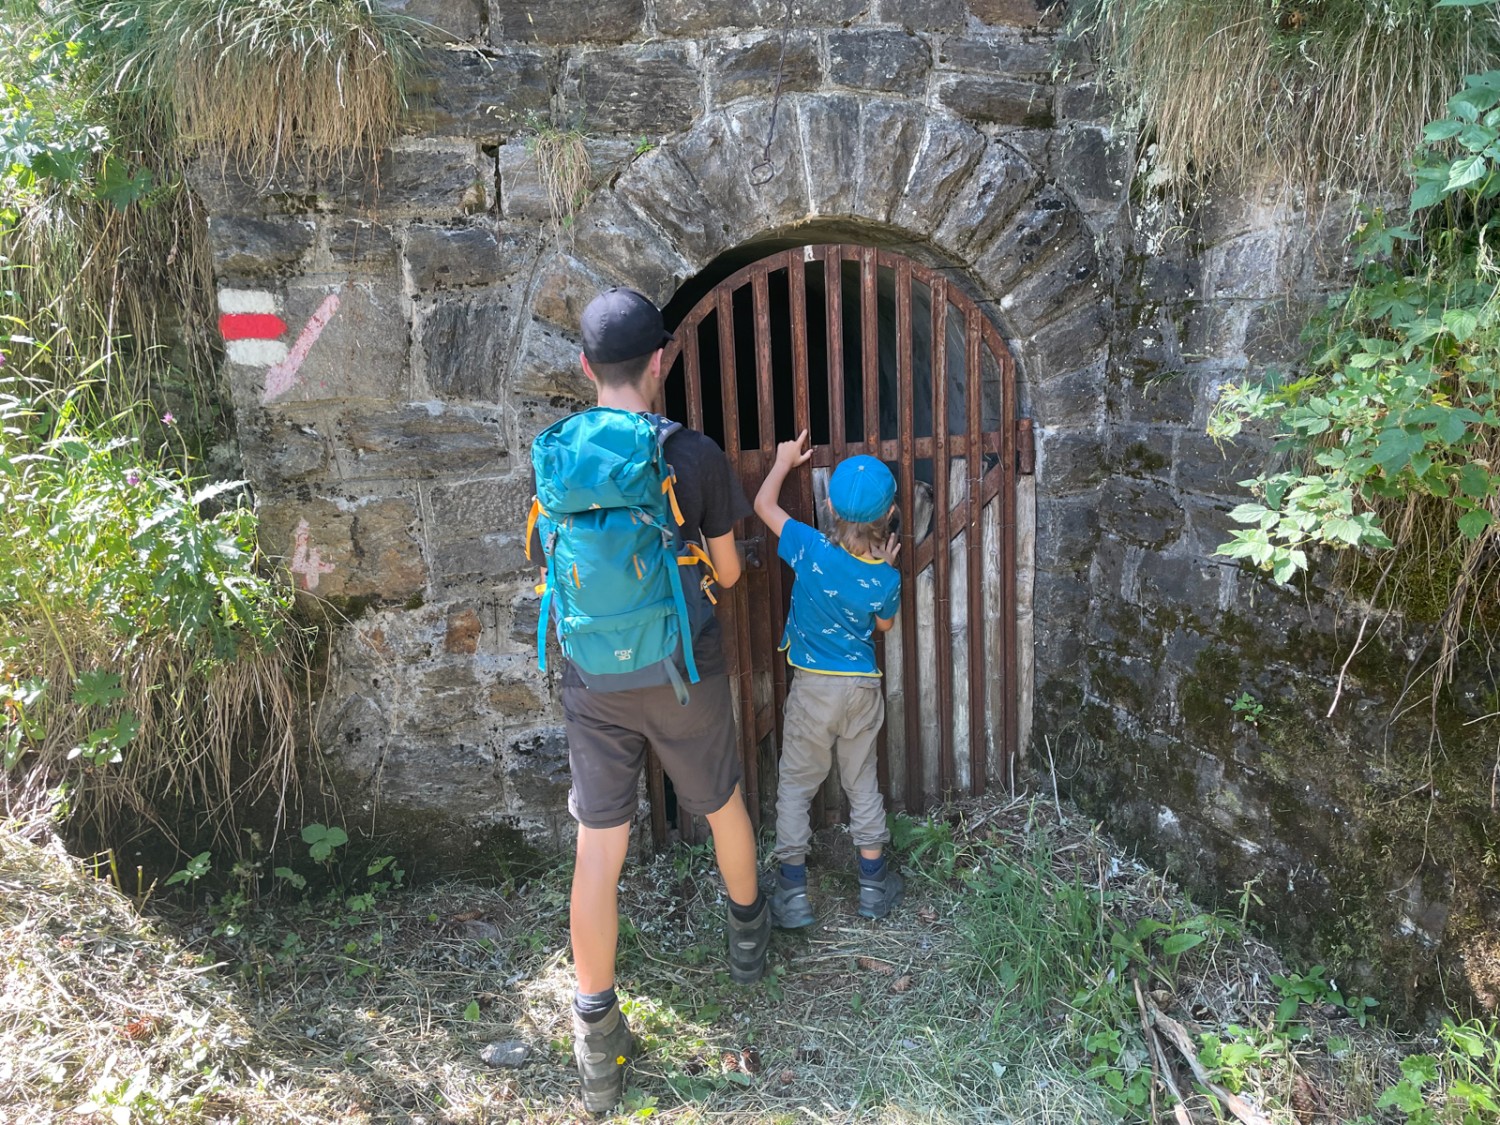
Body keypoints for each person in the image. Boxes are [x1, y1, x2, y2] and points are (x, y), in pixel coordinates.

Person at [534, 288, 769, 1116]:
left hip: (593, 680)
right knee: (722, 803)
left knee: (598, 848)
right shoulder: (693, 454)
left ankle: (597, 1036)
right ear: (661, 361)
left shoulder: (558, 454)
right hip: (682, 672)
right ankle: (748, 940)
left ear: (585, 367)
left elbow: (547, 561)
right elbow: (732, 574)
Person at [753, 432, 904, 928]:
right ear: (890, 515)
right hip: (861, 687)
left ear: (830, 506)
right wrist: (887, 568)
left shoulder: (809, 546)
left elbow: (763, 504)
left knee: (796, 784)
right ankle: (873, 885)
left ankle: (793, 893)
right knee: (861, 782)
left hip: (814, 687)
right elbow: (883, 626)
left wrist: (781, 462)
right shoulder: (885, 576)